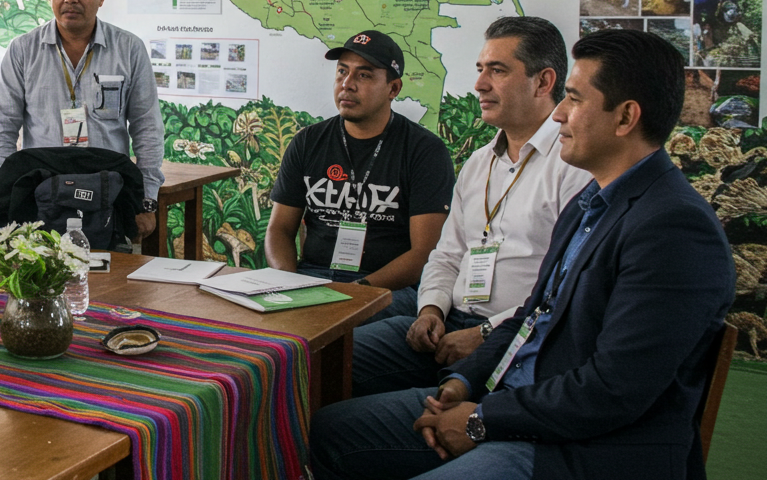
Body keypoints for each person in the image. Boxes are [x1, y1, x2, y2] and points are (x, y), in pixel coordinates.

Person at [310, 29, 735, 480]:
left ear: (626, 117)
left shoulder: (674, 228)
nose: (560, 116)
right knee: (330, 430)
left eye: (573, 99)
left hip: (575, 447)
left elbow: (612, 390)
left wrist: (481, 419)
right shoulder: (593, 201)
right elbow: (534, 313)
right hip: (509, 397)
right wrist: (464, 382)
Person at [351, 18, 593, 396]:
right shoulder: (479, 162)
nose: (480, 83)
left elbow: (564, 292)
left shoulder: (573, 167)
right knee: (319, 358)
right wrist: (430, 309)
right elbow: (447, 255)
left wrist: (484, 334)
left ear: (544, 82)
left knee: (340, 423)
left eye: (498, 71)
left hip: (514, 339)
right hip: (446, 322)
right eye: (481, 69)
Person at [265, 30, 454, 320]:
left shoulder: (424, 150)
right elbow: (279, 230)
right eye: (342, 71)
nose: (347, 84)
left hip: (387, 287)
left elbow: (424, 253)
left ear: (393, 89)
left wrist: (358, 291)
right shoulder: (307, 142)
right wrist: (287, 284)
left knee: (332, 337)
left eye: (364, 75)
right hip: (311, 278)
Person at [0, 0, 164, 238]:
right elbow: (1, 128)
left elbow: (147, 128)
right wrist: (2, 193)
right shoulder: (22, 51)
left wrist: (146, 202)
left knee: (114, 281)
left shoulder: (129, 49)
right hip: (40, 199)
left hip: (110, 199)